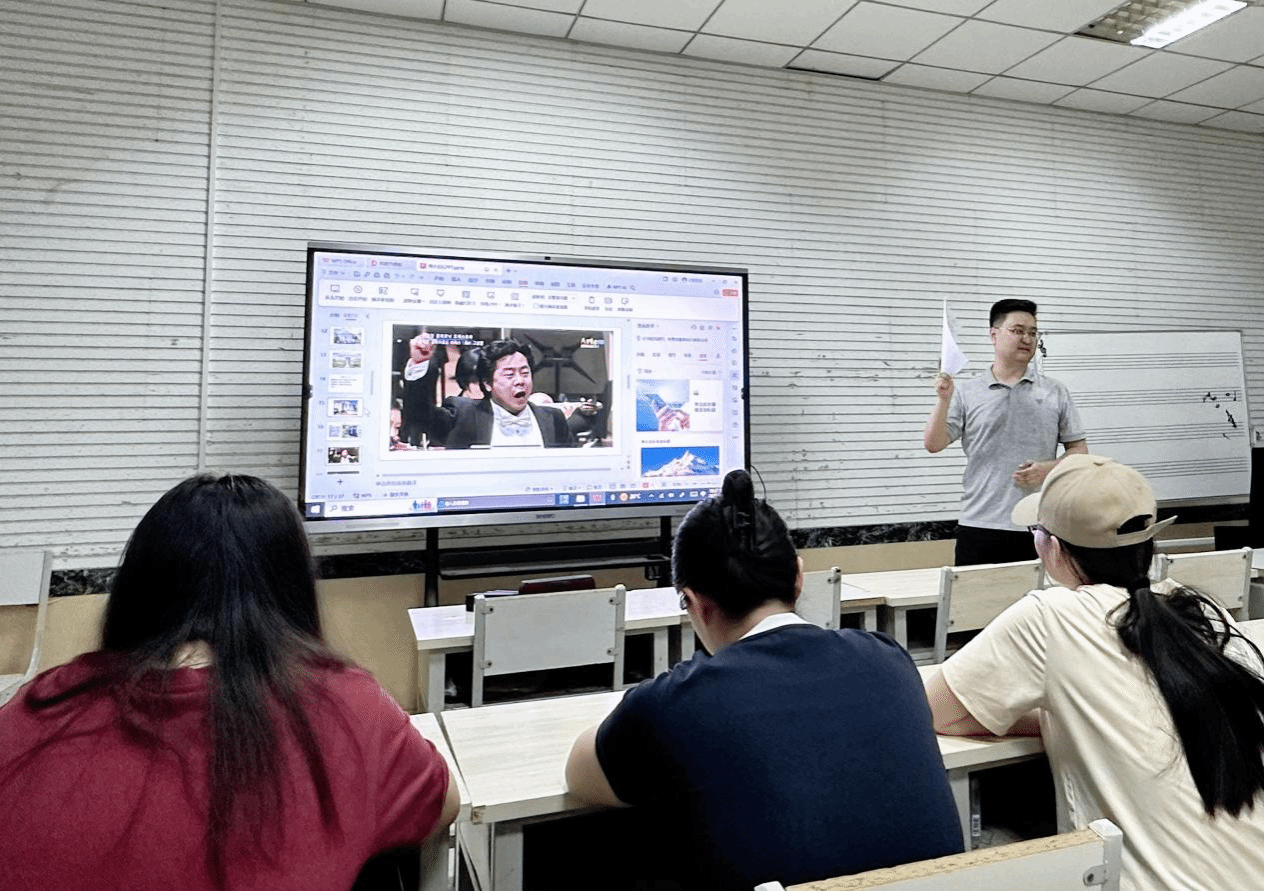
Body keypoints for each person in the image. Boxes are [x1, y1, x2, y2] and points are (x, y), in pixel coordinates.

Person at [0, 474, 459, 891]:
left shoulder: (39, 703)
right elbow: (443, 803)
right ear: (291, 590)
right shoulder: (344, 704)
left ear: (137, 588)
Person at [564, 469, 962, 891]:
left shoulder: (672, 703)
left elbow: (581, 776)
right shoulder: (889, 658)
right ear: (798, 576)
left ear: (694, 602)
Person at [924, 454, 1264, 890]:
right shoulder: (1202, 610)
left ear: (1051, 547)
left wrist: (1060, 713)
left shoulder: (1050, 616)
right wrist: (1080, 710)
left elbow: (938, 711)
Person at [924, 298, 1087, 565]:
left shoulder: (1055, 391)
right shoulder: (968, 391)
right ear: (994, 334)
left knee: (1041, 594)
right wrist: (943, 400)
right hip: (979, 525)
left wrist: (1049, 468)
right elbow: (933, 443)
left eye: (1033, 332)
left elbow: (1079, 451)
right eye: (1018, 330)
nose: (1027, 339)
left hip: (1041, 526)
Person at [427, 339, 576, 449]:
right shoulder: (464, 414)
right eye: (509, 375)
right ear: (487, 383)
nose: (520, 381)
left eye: (525, 373)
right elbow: (421, 417)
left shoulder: (554, 418)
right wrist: (420, 364)